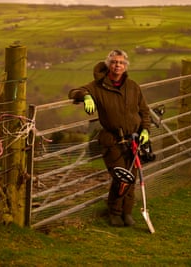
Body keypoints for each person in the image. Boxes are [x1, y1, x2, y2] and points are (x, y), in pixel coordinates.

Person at [68, 49, 151, 227]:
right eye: (114, 62)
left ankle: (126, 212)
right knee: (122, 177)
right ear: (108, 65)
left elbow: (144, 111)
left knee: (132, 177)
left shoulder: (133, 86)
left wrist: (146, 131)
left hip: (134, 140)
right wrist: (87, 97)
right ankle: (114, 212)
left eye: (121, 62)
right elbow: (74, 91)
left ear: (125, 65)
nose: (117, 65)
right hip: (112, 140)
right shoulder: (98, 86)